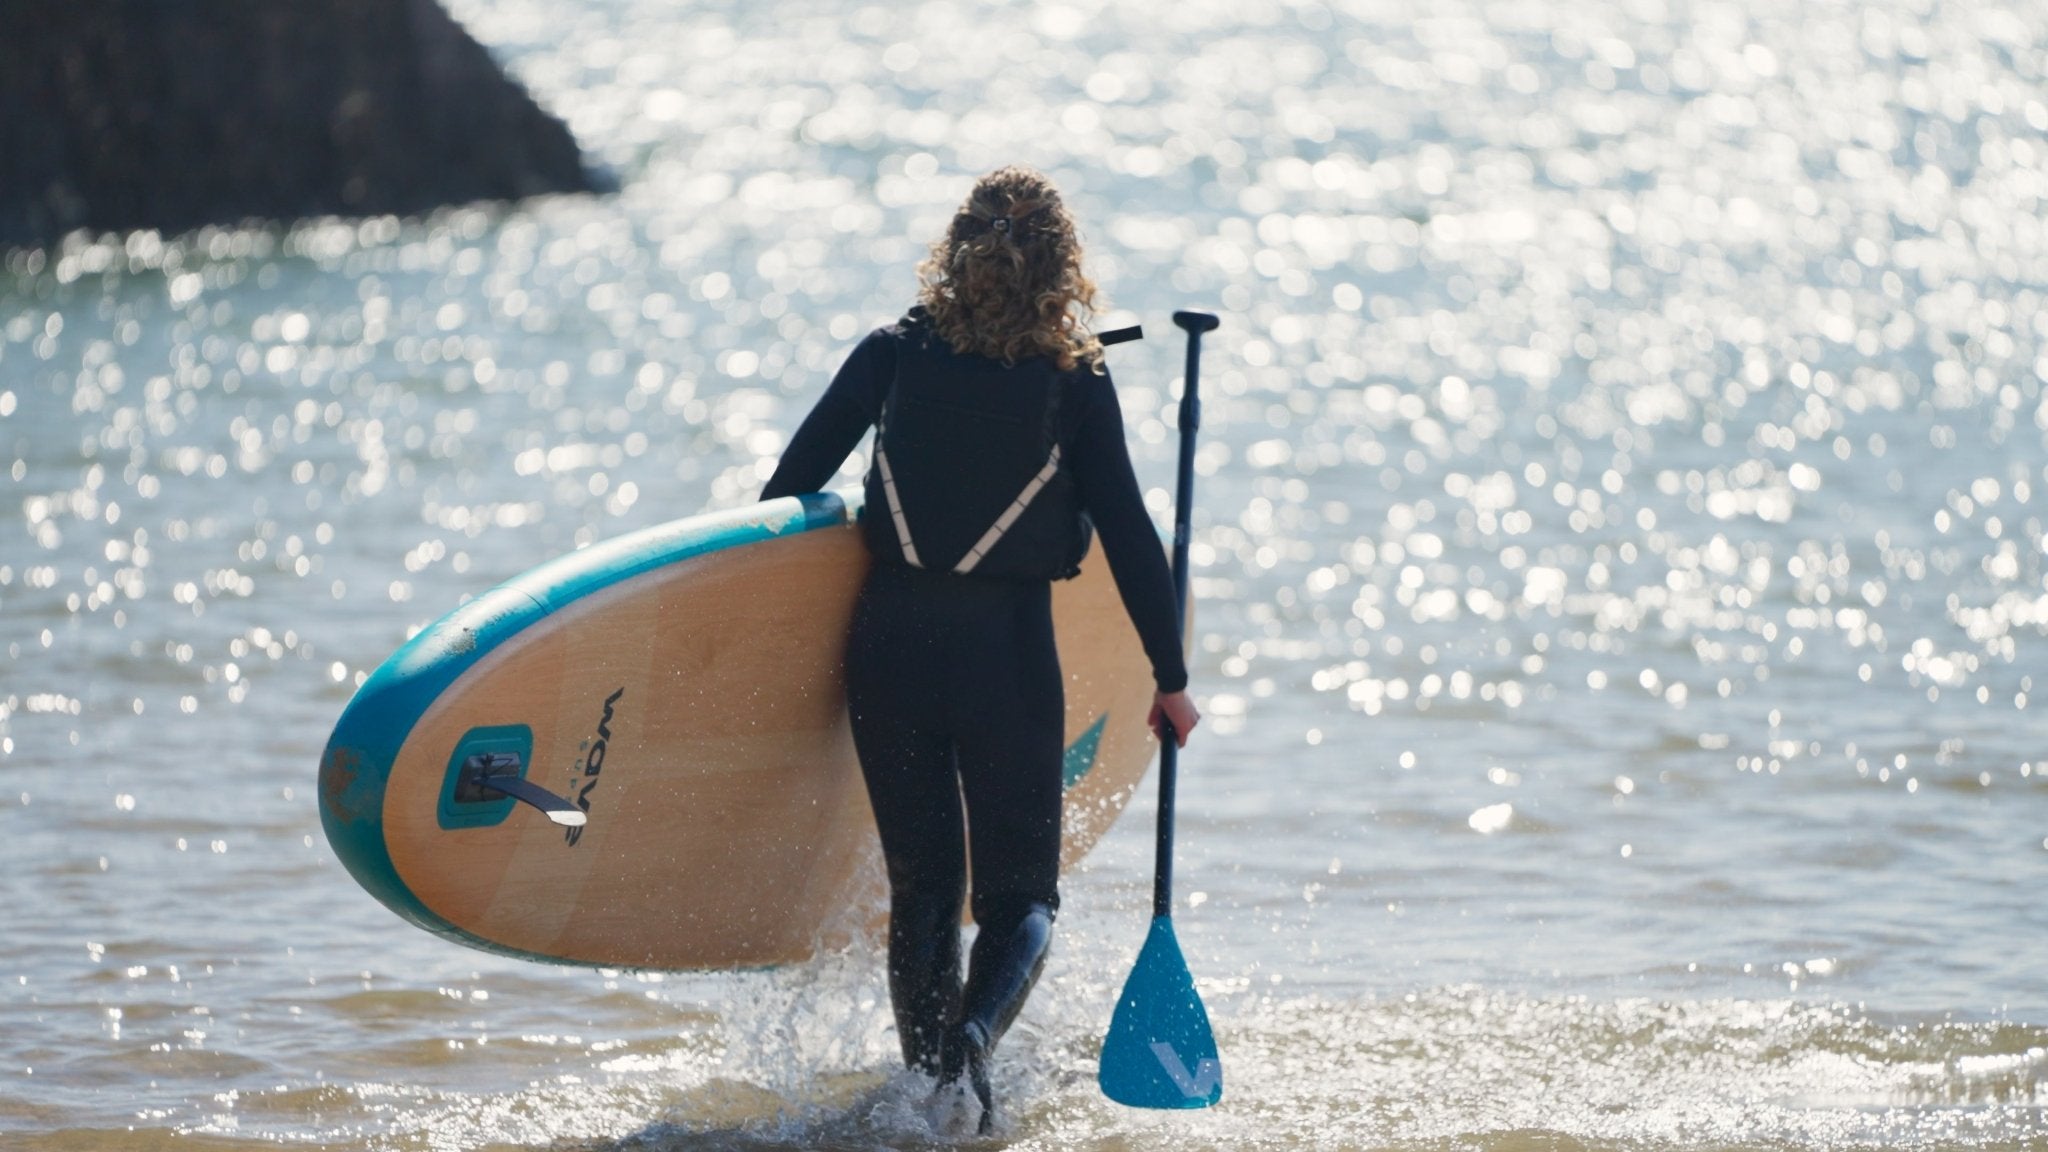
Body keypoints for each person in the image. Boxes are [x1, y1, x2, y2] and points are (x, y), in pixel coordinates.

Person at [760, 165, 1198, 1133]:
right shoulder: (1073, 384)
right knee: (1020, 896)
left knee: (924, 885)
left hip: (888, 646)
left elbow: (785, 497)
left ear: (954, 254)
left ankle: (926, 1094)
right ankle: (969, 1050)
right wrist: (1168, 679)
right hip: (1002, 654)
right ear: (1059, 267)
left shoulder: (889, 355)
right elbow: (1128, 534)